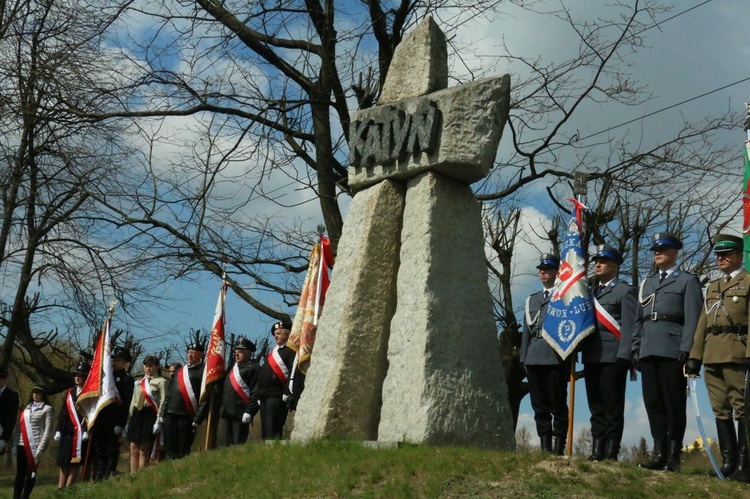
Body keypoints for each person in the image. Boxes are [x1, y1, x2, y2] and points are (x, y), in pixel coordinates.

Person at [633, 232, 702, 472]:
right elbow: (639, 319)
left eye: (662, 250)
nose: (657, 254)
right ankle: (659, 453)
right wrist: (635, 346)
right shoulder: (648, 283)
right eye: (655, 251)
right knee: (653, 403)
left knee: (673, 403)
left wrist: (687, 348)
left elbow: (693, 318)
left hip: (673, 349)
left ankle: (674, 456)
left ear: (674, 253)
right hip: (648, 348)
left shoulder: (687, 281)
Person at [686, 234, 750, 481]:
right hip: (712, 354)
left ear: (738, 256)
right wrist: (695, 355)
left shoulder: (747, 282)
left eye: (726, 254)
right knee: (720, 410)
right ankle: (728, 462)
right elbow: (703, 322)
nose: (721, 259)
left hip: (736, 352)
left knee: (742, 409)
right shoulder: (713, 287)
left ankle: (745, 465)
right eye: (718, 255)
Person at [581, 245, 637, 461]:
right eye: (596, 261)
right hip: (592, 354)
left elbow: (630, 326)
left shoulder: (625, 291)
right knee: (595, 406)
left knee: (612, 407)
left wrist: (625, 355)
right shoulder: (590, 293)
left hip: (613, 356)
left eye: (602, 261)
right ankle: (597, 450)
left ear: (614, 266)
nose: (597, 264)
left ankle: (611, 452)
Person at [520, 254, 569, 455]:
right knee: (539, 406)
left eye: (548, 269)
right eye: (541, 269)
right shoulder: (532, 300)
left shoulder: (564, 297)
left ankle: (559, 446)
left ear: (557, 272)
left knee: (557, 404)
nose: (543, 272)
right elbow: (526, 332)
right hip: (534, 356)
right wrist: (524, 358)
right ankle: (546, 446)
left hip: (554, 356)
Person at [254, 320, 304, 440]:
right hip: (265, 395)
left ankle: (274, 450)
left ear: (287, 334)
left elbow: (293, 372)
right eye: (275, 333)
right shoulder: (273, 352)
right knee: (265, 428)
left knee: (273, 427)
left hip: (277, 395)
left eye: (279, 333)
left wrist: (287, 391)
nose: (276, 335)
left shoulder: (291, 351)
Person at [91, 346, 134, 481]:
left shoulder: (127, 379)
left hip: (114, 419)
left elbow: (126, 402)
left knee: (111, 450)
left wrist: (120, 423)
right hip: (101, 418)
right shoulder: (105, 376)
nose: (115, 362)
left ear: (125, 362)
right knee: (99, 448)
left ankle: (108, 473)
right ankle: (98, 475)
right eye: (114, 359)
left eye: (119, 360)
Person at [162, 340, 208, 459]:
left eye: (193, 352)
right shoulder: (180, 371)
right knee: (169, 448)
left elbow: (205, 398)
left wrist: (198, 419)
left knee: (182, 449)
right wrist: (163, 414)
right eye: (188, 352)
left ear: (201, 355)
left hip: (186, 416)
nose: (190, 355)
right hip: (171, 414)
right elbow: (169, 395)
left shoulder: (203, 372)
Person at [13, 385, 54, 499]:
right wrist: (14, 444)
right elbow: (19, 429)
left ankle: (25, 496)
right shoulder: (25, 409)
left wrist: (41, 449)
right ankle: (16, 496)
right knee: (20, 473)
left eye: (38, 393)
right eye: (34, 392)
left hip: (35, 446)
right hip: (21, 445)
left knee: (31, 472)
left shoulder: (47, 409)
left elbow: (47, 430)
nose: (35, 395)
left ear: (43, 395)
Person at [127, 355, 166, 472]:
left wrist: (159, 419)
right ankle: (132, 476)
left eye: (151, 366)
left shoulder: (161, 382)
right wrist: (129, 419)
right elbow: (133, 401)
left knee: (143, 449)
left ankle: (141, 475)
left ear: (157, 367)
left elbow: (163, 401)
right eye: (146, 366)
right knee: (133, 448)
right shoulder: (139, 382)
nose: (148, 369)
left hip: (150, 415)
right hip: (137, 415)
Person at [54, 362, 90, 490]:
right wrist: (58, 429)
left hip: (80, 433)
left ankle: (68, 488)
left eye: (80, 375)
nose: (77, 377)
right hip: (67, 430)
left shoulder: (89, 393)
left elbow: (90, 413)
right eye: (76, 375)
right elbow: (63, 412)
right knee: (63, 461)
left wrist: (86, 430)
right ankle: (60, 488)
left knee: (75, 462)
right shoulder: (70, 392)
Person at [220, 337, 260, 446]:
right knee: (224, 446)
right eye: (236, 352)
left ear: (248, 353)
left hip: (241, 413)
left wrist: (250, 411)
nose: (236, 354)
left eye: (240, 352)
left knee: (237, 446)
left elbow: (255, 391)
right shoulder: (232, 368)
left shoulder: (254, 367)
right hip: (227, 412)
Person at [0, 367, 20, 457]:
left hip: (1, 434)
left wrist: (4, 439)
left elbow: (12, 419)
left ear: (4, 379)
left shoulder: (12, 396)